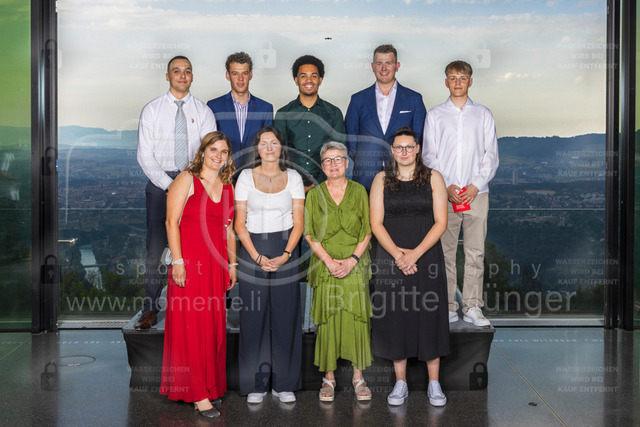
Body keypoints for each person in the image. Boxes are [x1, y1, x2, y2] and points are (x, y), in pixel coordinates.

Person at [369, 127, 450, 407]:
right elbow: (376, 223)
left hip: (426, 255)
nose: (404, 151)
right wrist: (398, 256)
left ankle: (434, 384)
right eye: (398, 147)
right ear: (392, 151)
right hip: (391, 257)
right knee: (396, 316)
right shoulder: (381, 179)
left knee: (430, 315)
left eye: (409, 146)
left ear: (417, 149)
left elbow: (441, 222)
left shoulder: (434, 177)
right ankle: (400, 383)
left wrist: (414, 254)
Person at [159, 131, 237, 419]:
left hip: (216, 267)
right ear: (202, 151)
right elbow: (171, 222)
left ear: (228, 157)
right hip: (190, 264)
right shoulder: (186, 179)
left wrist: (232, 265)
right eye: (213, 149)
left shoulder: (227, 186)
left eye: (224, 151)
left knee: (212, 327)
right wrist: (178, 262)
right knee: (191, 327)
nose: (218, 155)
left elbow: (229, 230)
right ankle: (198, 395)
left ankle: (208, 385)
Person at [136, 55, 217, 330]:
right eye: (177, 71)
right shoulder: (152, 110)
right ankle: (150, 309)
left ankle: (193, 306)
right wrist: (171, 186)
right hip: (160, 185)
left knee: (195, 247)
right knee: (156, 249)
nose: (182, 75)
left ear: (192, 76)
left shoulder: (204, 112)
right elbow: (145, 155)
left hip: (195, 182)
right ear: (167, 76)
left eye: (187, 71)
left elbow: (211, 152)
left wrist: (189, 184)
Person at [422, 60, 499, 327]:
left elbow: (491, 155)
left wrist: (475, 185)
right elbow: (429, 155)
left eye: (462, 78)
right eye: (452, 78)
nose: (457, 83)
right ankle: (448, 306)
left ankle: (473, 307)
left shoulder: (484, 114)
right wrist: (447, 186)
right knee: (445, 253)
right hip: (445, 194)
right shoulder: (435, 115)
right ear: (446, 82)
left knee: (475, 253)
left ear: (470, 81)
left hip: (477, 194)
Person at [234, 126, 305, 404]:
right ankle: (256, 384)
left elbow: (298, 223)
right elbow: (239, 224)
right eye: (264, 143)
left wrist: (286, 254)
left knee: (286, 317)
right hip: (252, 249)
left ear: (281, 147)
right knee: (254, 318)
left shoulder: (294, 177)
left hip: (286, 248)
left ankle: (284, 384)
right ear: (257, 149)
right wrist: (256, 256)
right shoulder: (245, 177)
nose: (269, 147)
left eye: (274, 142)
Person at [304, 141, 372, 402]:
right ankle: (329, 378)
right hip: (325, 265)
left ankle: (358, 376)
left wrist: (352, 260)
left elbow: (367, 230)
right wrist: (329, 262)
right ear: (322, 167)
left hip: (355, 263)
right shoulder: (314, 195)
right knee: (328, 319)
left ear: (346, 163)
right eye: (328, 160)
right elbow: (309, 233)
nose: (333, 164)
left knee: (357, 319)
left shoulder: (359, 191)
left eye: (338, 159)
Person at [345, 44, 426, 191]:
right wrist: (365, 159)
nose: (383, 68)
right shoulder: (358, 99)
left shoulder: (414, 99)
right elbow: (350, 138)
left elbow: (419, 137)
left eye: (388, 63)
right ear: (372, 66)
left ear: (397, 66)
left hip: (404, 175)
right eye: (379, 63)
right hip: (365, 176)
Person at [275, 55, 345, 191]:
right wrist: (295, 184)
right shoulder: (283, 114)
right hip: (290, 186)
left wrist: (317, 184)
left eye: (314, 76)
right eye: (303, 76)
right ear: (296, 80)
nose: (309, 80)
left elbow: (338, 154)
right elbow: (280, 153)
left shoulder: (334, 113)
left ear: (320, 80)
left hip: (327, 185)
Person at [207, 52, 274, 170]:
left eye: (245, 73)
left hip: (255, 174)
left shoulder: (265, 108)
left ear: (251, 75)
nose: (240, 79)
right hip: (223, 174)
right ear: (228, 75)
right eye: (235, 74)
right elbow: (210, 146)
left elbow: (268, 148)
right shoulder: (214, 107)